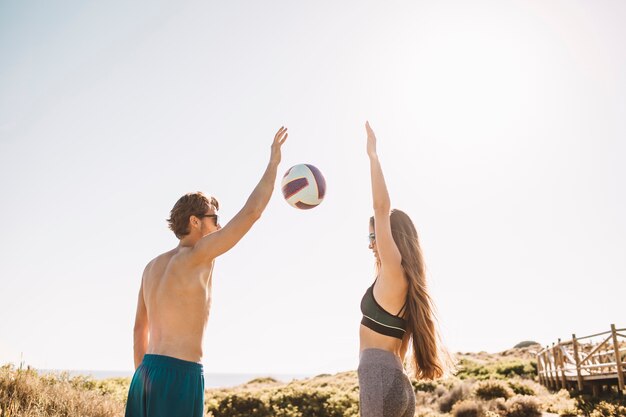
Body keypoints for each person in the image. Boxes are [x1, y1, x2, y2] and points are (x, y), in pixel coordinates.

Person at [124, 127, 289, 417]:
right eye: (215, 218)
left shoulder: (151, 267)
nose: (220, 226)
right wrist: (274, 163)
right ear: (195, 222)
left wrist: (145, 379)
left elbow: (140, 328)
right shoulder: (198, 256)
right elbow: (251, 213)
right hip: (180, 374)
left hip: (145, 375)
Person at [359, 122, 453, 417]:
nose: (372, 244)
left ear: (391, 238)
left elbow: (381, 206)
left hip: (378, 382)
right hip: (397, 385)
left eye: (374, 236)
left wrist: (373, 157)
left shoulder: (393, 271)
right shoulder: (405, 284)